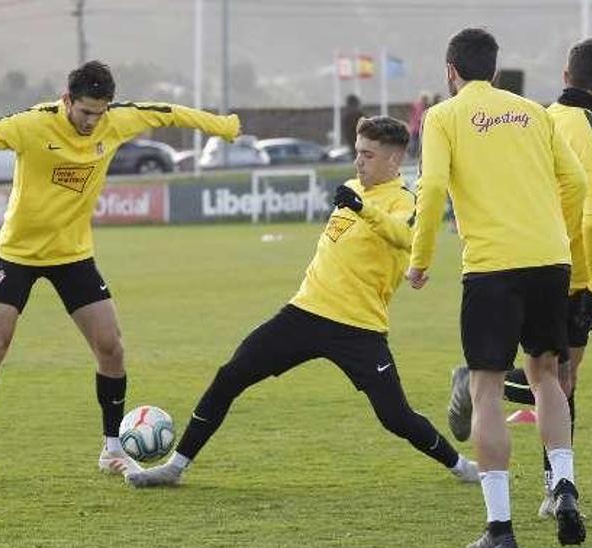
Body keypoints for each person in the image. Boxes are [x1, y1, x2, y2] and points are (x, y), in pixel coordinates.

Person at [116, 116, 479, 488]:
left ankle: (461, 466)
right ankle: (175, 467)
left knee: (395, 417)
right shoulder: (353, 188)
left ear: (392, 160)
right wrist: (356, 204)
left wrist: (362, 209)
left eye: (368, 155)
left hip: (358, 328)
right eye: (357, 153)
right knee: (230, 376)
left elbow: (406, 236)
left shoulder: (406, 201)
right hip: (304, 313)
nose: (358, 162)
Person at [0, 60, 240, 483]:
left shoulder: (113, 121)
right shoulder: (33, 124)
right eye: (85, 112)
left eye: (99, 113)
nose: (92, 122)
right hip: (18, 252)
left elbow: (170, 112)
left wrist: (225, 127)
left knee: (111, 347)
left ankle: (112, 449)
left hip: (73, 254)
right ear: (66, 100)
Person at [407, 28, 588, 548]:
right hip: (550, 258)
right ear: (495, 67)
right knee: (546, 376)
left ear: (450, 71)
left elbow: (434, 186)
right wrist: (552, 228)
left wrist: (421, 260)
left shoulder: (443, 116)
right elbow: (574, 182)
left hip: (492, 266)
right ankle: (565, 485)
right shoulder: (535, 111)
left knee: (485, 388)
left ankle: (499, 527)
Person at [445, 36, 592, 521]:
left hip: (514, 259)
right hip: (568, 268)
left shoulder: (536, 116)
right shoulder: (589, 131)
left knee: (549, 377)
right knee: (560, 379)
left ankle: (548, 487)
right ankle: (557, 486)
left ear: (565, 76)